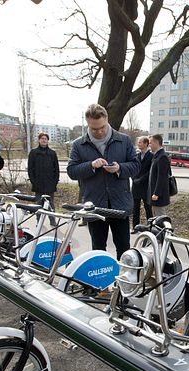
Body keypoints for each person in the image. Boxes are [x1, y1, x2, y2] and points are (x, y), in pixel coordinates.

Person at [67, 103, 139, 259]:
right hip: (95, 206)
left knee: (124, 248)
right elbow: (71, 171)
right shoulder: (79, 144)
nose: (99, 132)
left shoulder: (124, 140)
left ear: (107, 120)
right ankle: (100, 282)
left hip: (119, 204)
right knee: (98, 249)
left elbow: (135, 166)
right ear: (88, 124)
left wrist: (119, 168)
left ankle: (125, 280)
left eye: (102, 127)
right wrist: (91, 165)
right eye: (94, 129)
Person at [27, 132, 60, 223]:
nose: (44, 140)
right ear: (39, 140)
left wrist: (55, 181)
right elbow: (30, 169)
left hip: (50, 183)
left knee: (51, 204)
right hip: (38, 183)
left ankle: (52, 220)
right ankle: (39, 220)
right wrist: (33, 181)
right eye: (42, 138)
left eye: (45, 139)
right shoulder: (33, 153)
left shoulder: (52, 153)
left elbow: (56, 169)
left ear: (48, 141)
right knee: (39, 204)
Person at [131, 136, 153, 230]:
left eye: (140, 142)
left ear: (146, 144)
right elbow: (132, 168)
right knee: (135, 208)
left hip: (145, 186)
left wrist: (141, 179)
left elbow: (150, 171)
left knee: (148, 208)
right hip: (135, 186)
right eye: (138, 142)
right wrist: (133, 178)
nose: (138, 144)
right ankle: (135, 227)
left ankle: (151, 228)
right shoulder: (136, 156)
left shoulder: (151, 156)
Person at [148, 134, 171, 217]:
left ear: (156, 143)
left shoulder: (162, 157)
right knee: (157, 218)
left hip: (159, 196)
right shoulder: (158, 155)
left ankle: (166, 230)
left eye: (150, 143)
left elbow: (162, 177)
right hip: (156, 195)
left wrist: (156, 193)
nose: (149, 145)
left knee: (161, 217)